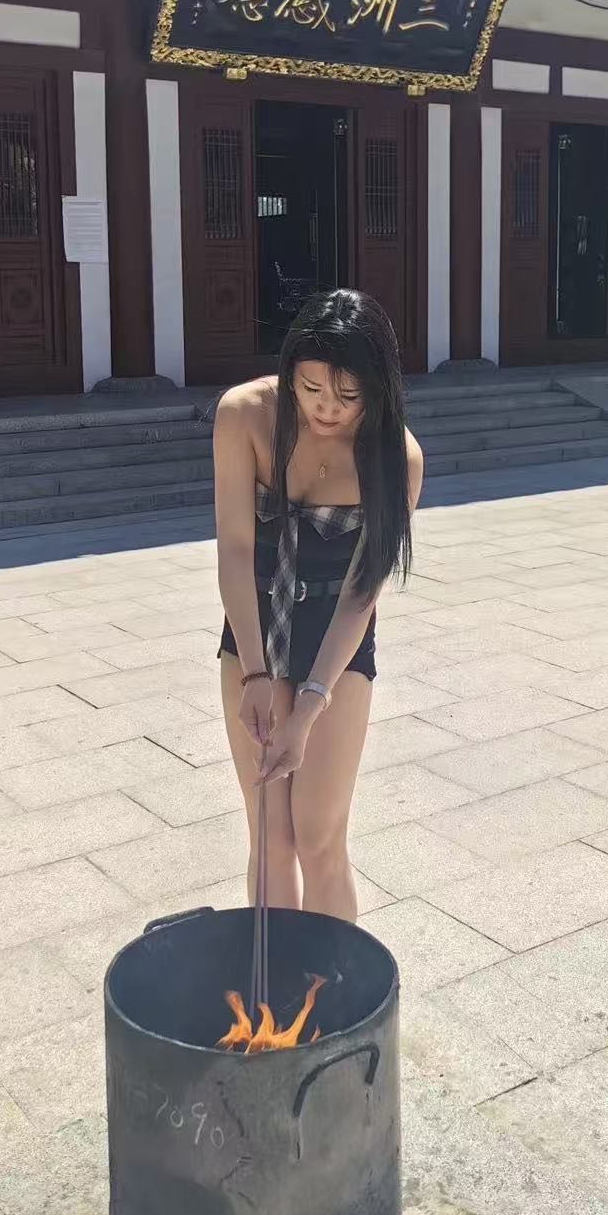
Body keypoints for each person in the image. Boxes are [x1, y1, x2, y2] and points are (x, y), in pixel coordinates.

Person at [214, 289, 423, 923]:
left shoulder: (395, 456)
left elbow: (363, 593)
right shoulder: (244, 416)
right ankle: (277, 979)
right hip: (254, 622)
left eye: (348, 396)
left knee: (318, 834)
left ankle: (334, 978)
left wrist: (308, 706)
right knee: (270, 832)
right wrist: (254, 673)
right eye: (309, 389)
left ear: (377, 390)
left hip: (335, 633)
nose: (326, 408)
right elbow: (235, 551)